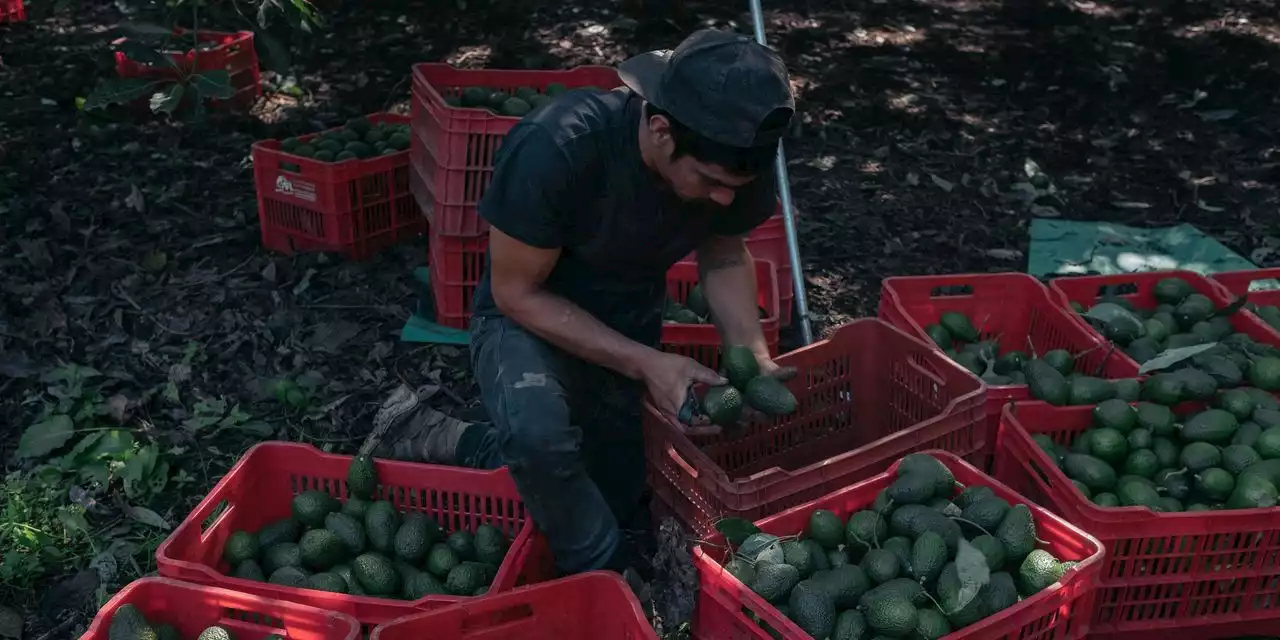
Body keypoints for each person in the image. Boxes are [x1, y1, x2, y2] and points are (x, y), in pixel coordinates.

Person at [373, 28, 798, 579]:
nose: (724, 198)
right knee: (541, 441)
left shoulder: (735, 166)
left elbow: (722, 254)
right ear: (661, 130)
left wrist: (751, 354)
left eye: (734, 187)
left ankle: (434, 433)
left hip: (629, 320)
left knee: (615, 492)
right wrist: (647, 364)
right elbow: (515, 293)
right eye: (711, 182)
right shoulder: (559, 147)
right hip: (525, 321)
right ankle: (606, 577)